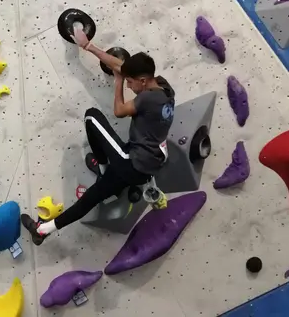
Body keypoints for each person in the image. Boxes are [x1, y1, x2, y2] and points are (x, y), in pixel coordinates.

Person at [21, 28, 175, 245]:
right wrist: (88, 46)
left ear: (142, 81)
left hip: (131, 160)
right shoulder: (165, 89)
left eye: (132, 82)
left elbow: (119, 111)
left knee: (92, 118)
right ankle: (43, 230)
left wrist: (119, 82)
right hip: (146, 169)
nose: (130, 85)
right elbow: (119, 66)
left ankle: (103, 168)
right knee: (91, 197)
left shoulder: (147, 99)